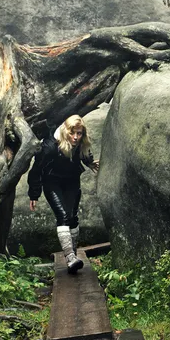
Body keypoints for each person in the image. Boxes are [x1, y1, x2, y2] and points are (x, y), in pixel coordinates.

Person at [27, 115, 99, 274]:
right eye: (72, 133)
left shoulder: (80, 143)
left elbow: (83, 154)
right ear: (66, 131)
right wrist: (34, 194)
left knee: (73, 216)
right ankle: (70, 258)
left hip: (72, 181)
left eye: (79, 133)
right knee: (63, 216)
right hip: (52, 182)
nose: (75, 137)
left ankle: (72, 254)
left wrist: (90, 162)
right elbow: (36, 170)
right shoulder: (50, 146)